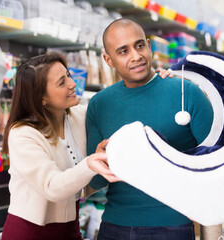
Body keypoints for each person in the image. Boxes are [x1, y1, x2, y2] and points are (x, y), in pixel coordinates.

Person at [86, 18, 214, 240]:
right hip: (115, 226)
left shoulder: (186, 92)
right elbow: (96, 182)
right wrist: (99, 162)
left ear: (148, 45)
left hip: (172, 225)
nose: (136, 56)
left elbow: (222, 160)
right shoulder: (99, 104)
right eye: (123, 51)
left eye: (139, 45)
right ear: (108, 60)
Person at [0, 52, 119, 240]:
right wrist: (89, 164)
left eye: (69, 75)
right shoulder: (23, 134)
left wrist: (158, 81)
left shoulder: (79, 116)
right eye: (61, 82)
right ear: (41, 98)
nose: (73, 84)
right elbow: (51, 186)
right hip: (30, 231)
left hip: (70, 227)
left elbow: (119, 110)